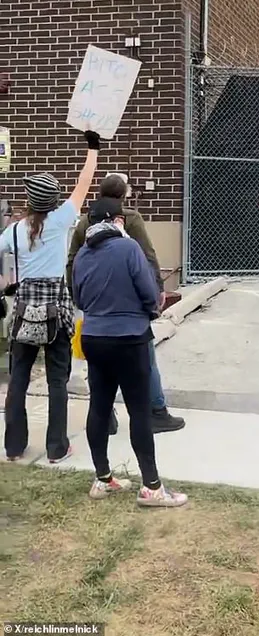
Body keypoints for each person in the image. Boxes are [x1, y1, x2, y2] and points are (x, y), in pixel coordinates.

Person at [72, 197, 188, 507]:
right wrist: (150, 309)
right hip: (130, 338)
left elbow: (79, 297)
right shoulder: (128, 248)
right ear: (116, 220)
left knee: (99, 407)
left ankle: (103, 478)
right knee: (139, 411)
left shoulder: (83, 253)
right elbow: (150, 293)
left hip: (94, 337)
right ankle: (151, 486)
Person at [1, 130, 100, 462]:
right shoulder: (61, 221)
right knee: (58, 379)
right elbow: (84, 183)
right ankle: (57, 448)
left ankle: (14, 446)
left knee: (19, 377)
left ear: (28, 201)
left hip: (25, 309)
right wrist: (92, 148)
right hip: (56, 309)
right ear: (55, 201)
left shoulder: (13, 231)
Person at [67, 172, 185, 434]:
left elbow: (72, 261)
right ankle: (156, 412)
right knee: (146, 359)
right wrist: (157, 290)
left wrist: (77, 296)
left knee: (98, 364)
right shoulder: (130, 219)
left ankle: (104, 415)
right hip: (128, 303)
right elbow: (147, 254)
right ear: (124, 195)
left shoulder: (85, 222)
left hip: (94, 304)